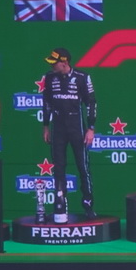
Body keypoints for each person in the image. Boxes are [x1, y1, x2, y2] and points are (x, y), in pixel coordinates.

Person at [42, 48, 97, 216]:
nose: (51, 65)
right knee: (58, 168)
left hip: (77, 128)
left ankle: (88, 205)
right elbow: (46, 103)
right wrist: (45, 126)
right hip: (57, 127)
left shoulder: (82, 77)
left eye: (55, 62)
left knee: (83, 167)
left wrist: (91, 128)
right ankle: (60, 205)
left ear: (64, 62)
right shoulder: (49, 78)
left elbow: (91, 104)